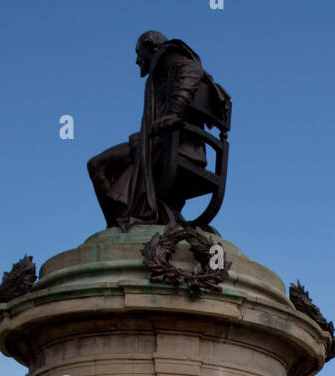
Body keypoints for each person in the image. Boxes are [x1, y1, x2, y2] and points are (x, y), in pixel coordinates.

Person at [87, 32, 231, 229]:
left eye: (139, 53)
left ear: (152, 47)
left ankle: (114, 225)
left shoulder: (167, 55)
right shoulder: (164, 65)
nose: (137, 60)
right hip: (173, 147)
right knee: (118, 157)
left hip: (169, 148)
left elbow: (191, 71)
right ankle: (124, 216)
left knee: (97, 165)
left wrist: (174, 111)